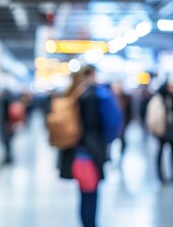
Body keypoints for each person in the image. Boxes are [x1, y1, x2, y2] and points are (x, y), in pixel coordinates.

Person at [58, 65, 107, 227]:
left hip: (75, 153)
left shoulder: (71, 95)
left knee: (84, 194)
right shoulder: (90, 96)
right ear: (91, 74)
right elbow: (92, 125)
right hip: (88, 153)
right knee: (91, 196)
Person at [152, 75, 173, 183]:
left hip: (172, 130)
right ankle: (160, 175)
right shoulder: (160, 98)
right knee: (160, 153)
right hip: (162, 130)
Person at [111, 82, 132, 160]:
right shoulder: (111, 98)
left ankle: (122, 154)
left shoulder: (125, 98)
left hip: (123, 122)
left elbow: (129, 111)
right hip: (114, 123)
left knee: (123, 140)